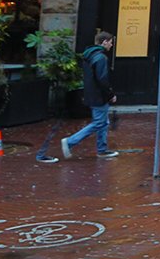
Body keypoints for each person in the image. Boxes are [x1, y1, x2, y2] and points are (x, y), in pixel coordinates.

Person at [45, 29, 119, 161]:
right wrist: (110, 94)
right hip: (99, 96)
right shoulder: (101, 58)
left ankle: (102, 149)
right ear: (104, 42)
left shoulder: (89, 55)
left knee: (103, 122)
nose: (111, 45)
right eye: (110, 42)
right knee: (99, 123)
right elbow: (102, 79)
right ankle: (70, 142)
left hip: (91, 94)